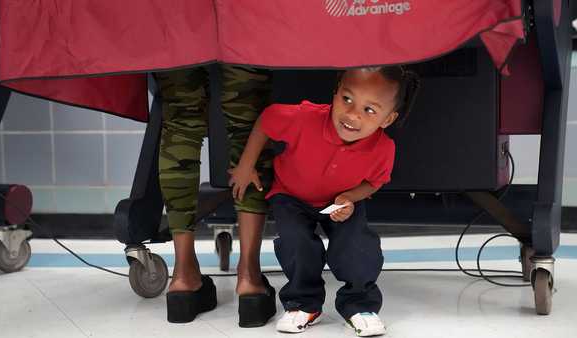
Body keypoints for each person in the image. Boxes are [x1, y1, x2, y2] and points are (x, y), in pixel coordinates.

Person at [230, 66, 420, 336]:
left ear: (387, 119)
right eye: (347, 99)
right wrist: (246, 165)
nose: (352, 114)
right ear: (335, 93)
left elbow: (374, 183)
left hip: (340, 203)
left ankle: (359, 306)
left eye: (369, 110)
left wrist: (350, 198)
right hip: (291, 196)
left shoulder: (384, 148)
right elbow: (267, 119)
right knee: (296, 243)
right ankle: (303, 304)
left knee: (357, 246)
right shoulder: (304, 118)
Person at [156, 65, 276, 327]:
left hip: (178, 23)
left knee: (180, 116)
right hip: (244, 22)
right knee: (248, 114)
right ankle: (249, 278)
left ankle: (183, 276)